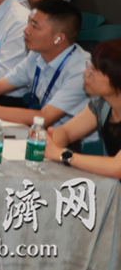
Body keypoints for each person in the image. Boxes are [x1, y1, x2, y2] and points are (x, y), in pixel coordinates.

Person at [43, 40, 121, 177]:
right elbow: (67, 132)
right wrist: (46, 142)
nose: (85, 72)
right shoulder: (102, 104)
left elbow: (117, 168)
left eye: (94, 70)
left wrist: (61, 155)